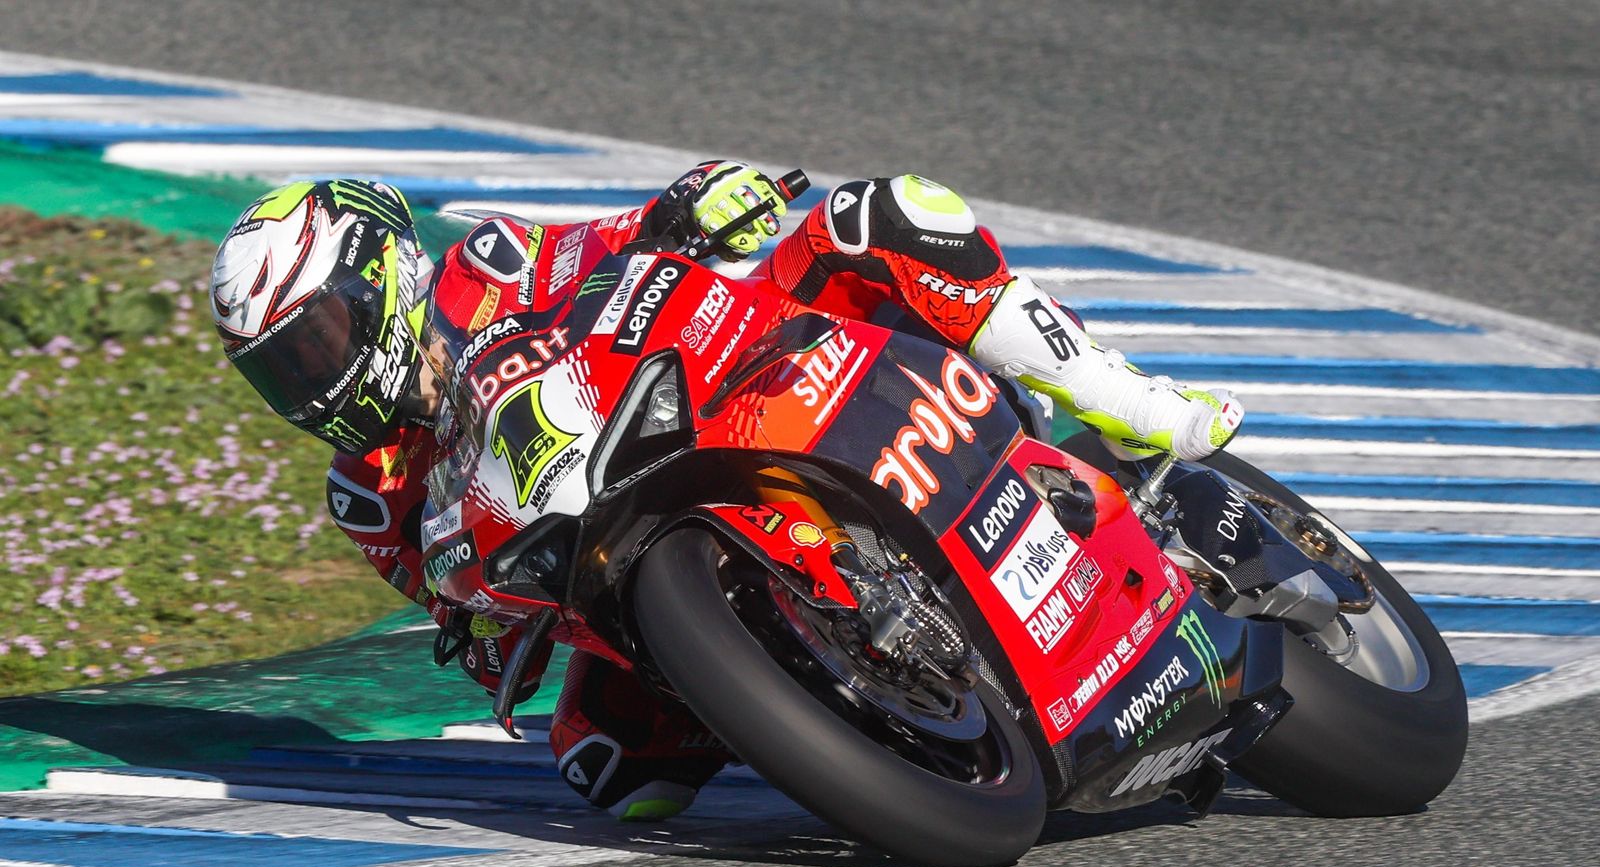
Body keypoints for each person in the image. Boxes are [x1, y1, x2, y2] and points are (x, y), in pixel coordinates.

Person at [208, 162, 1243, 822]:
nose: (308, 382)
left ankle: (1126, 404)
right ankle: (853, 704)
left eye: (313, 342)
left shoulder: (490, 266)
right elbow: (461, 622)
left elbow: (616, 239)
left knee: (878, 216)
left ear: (378, 281)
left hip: (720, 394)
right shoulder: (367, 492)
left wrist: (692, 200)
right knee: (611, 772)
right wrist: (488, 633)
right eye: (280, 371)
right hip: (611, 558)